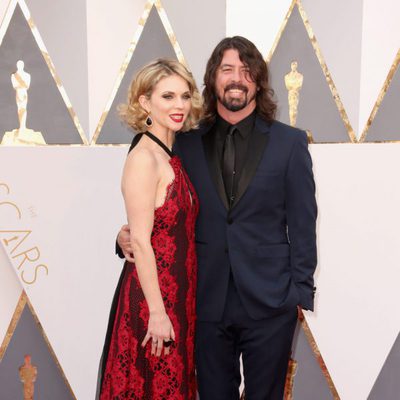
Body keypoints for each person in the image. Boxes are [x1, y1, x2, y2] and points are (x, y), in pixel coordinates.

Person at [117, 36, 317, 400]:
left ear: (258, 80)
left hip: (271, 303)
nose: (236, 78)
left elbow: (304, 222)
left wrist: (298, 293)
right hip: (203, 300)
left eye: (246, 70)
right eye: (227, 69)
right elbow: (156, 205)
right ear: (212, 80)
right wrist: (123, 236)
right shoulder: (183, 141)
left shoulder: (290, 143)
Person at [99, 58, 202, 400]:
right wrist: (157, 313)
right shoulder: (143, 157)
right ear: (145, 102)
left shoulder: (168, 153)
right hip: (153, 303)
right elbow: (141, 242)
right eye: (168, 96)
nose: (179, 106)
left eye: (185, 96)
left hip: (178, 300)